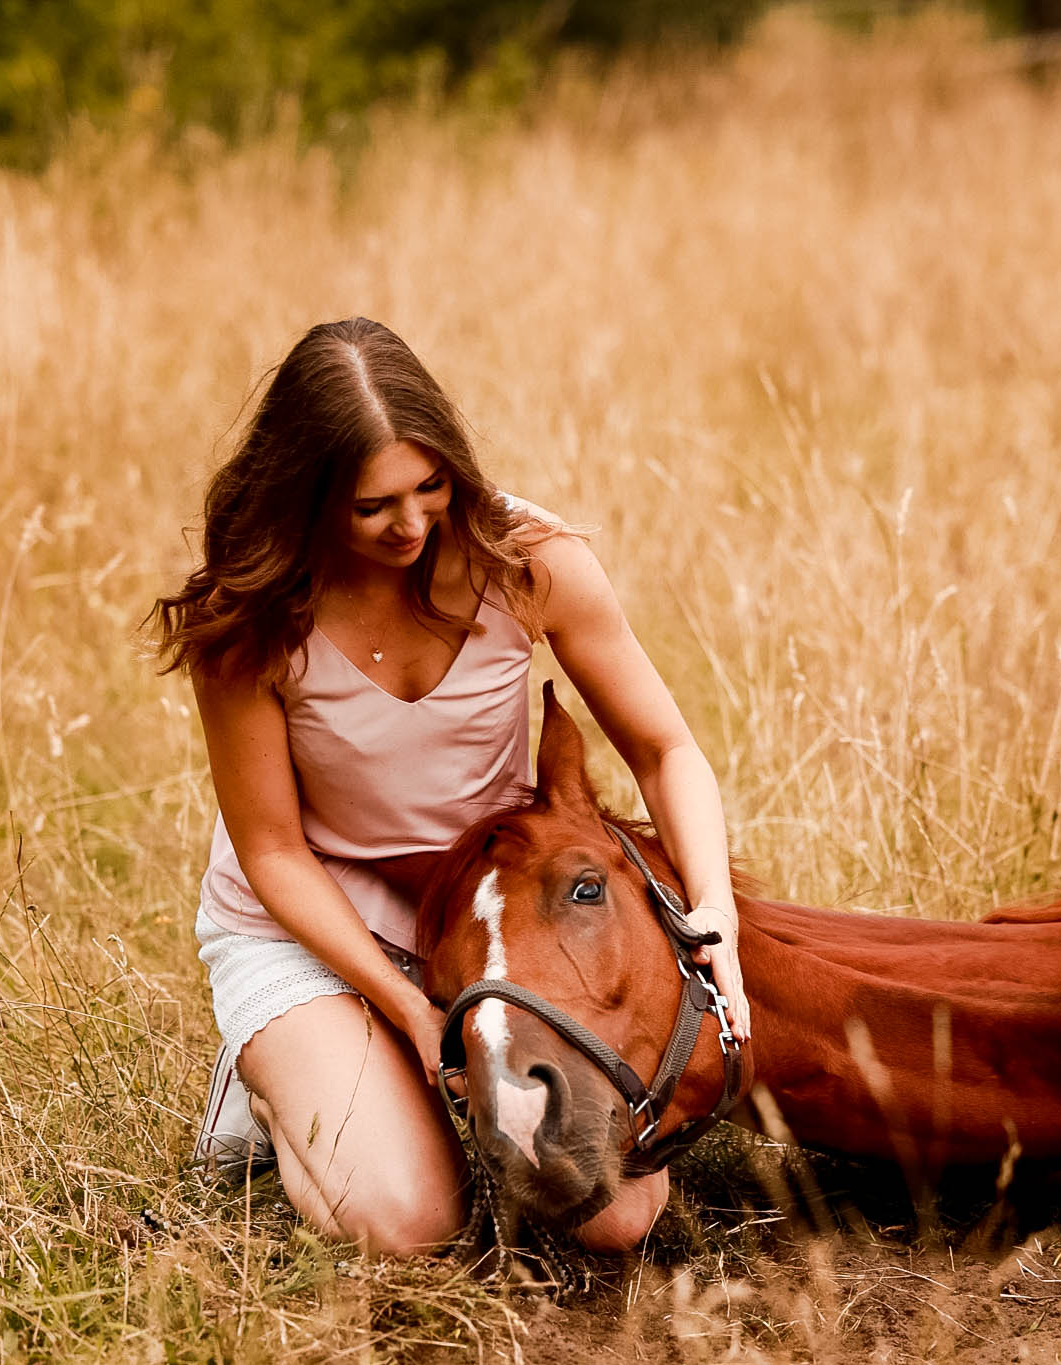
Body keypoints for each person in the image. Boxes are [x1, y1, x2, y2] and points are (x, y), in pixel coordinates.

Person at [149, 318, 751, 1258]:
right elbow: (271, 850)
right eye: (373, 506)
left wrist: (714, 909)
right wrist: (411, 1014)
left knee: (615, 1213)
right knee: (415, 1223)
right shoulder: (253, 615)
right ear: (307, 500)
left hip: (490, 916)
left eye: (432, 486)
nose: (414, 524)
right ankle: (271, 1082)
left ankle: (398, 1082)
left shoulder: (527, 562)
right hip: (313, 920)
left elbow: (665, 749)